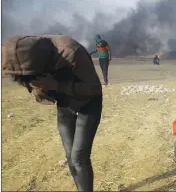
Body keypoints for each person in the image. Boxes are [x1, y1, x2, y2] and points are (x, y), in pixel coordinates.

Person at [2, 35, 103, 191]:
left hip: (89, 104)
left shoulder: (70, 52)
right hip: (65, 105)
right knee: (70, 157)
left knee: (79, 158)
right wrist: (38, 88)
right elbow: (29, 80)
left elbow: (94, 88)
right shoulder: (26, 58)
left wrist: (57, 85)